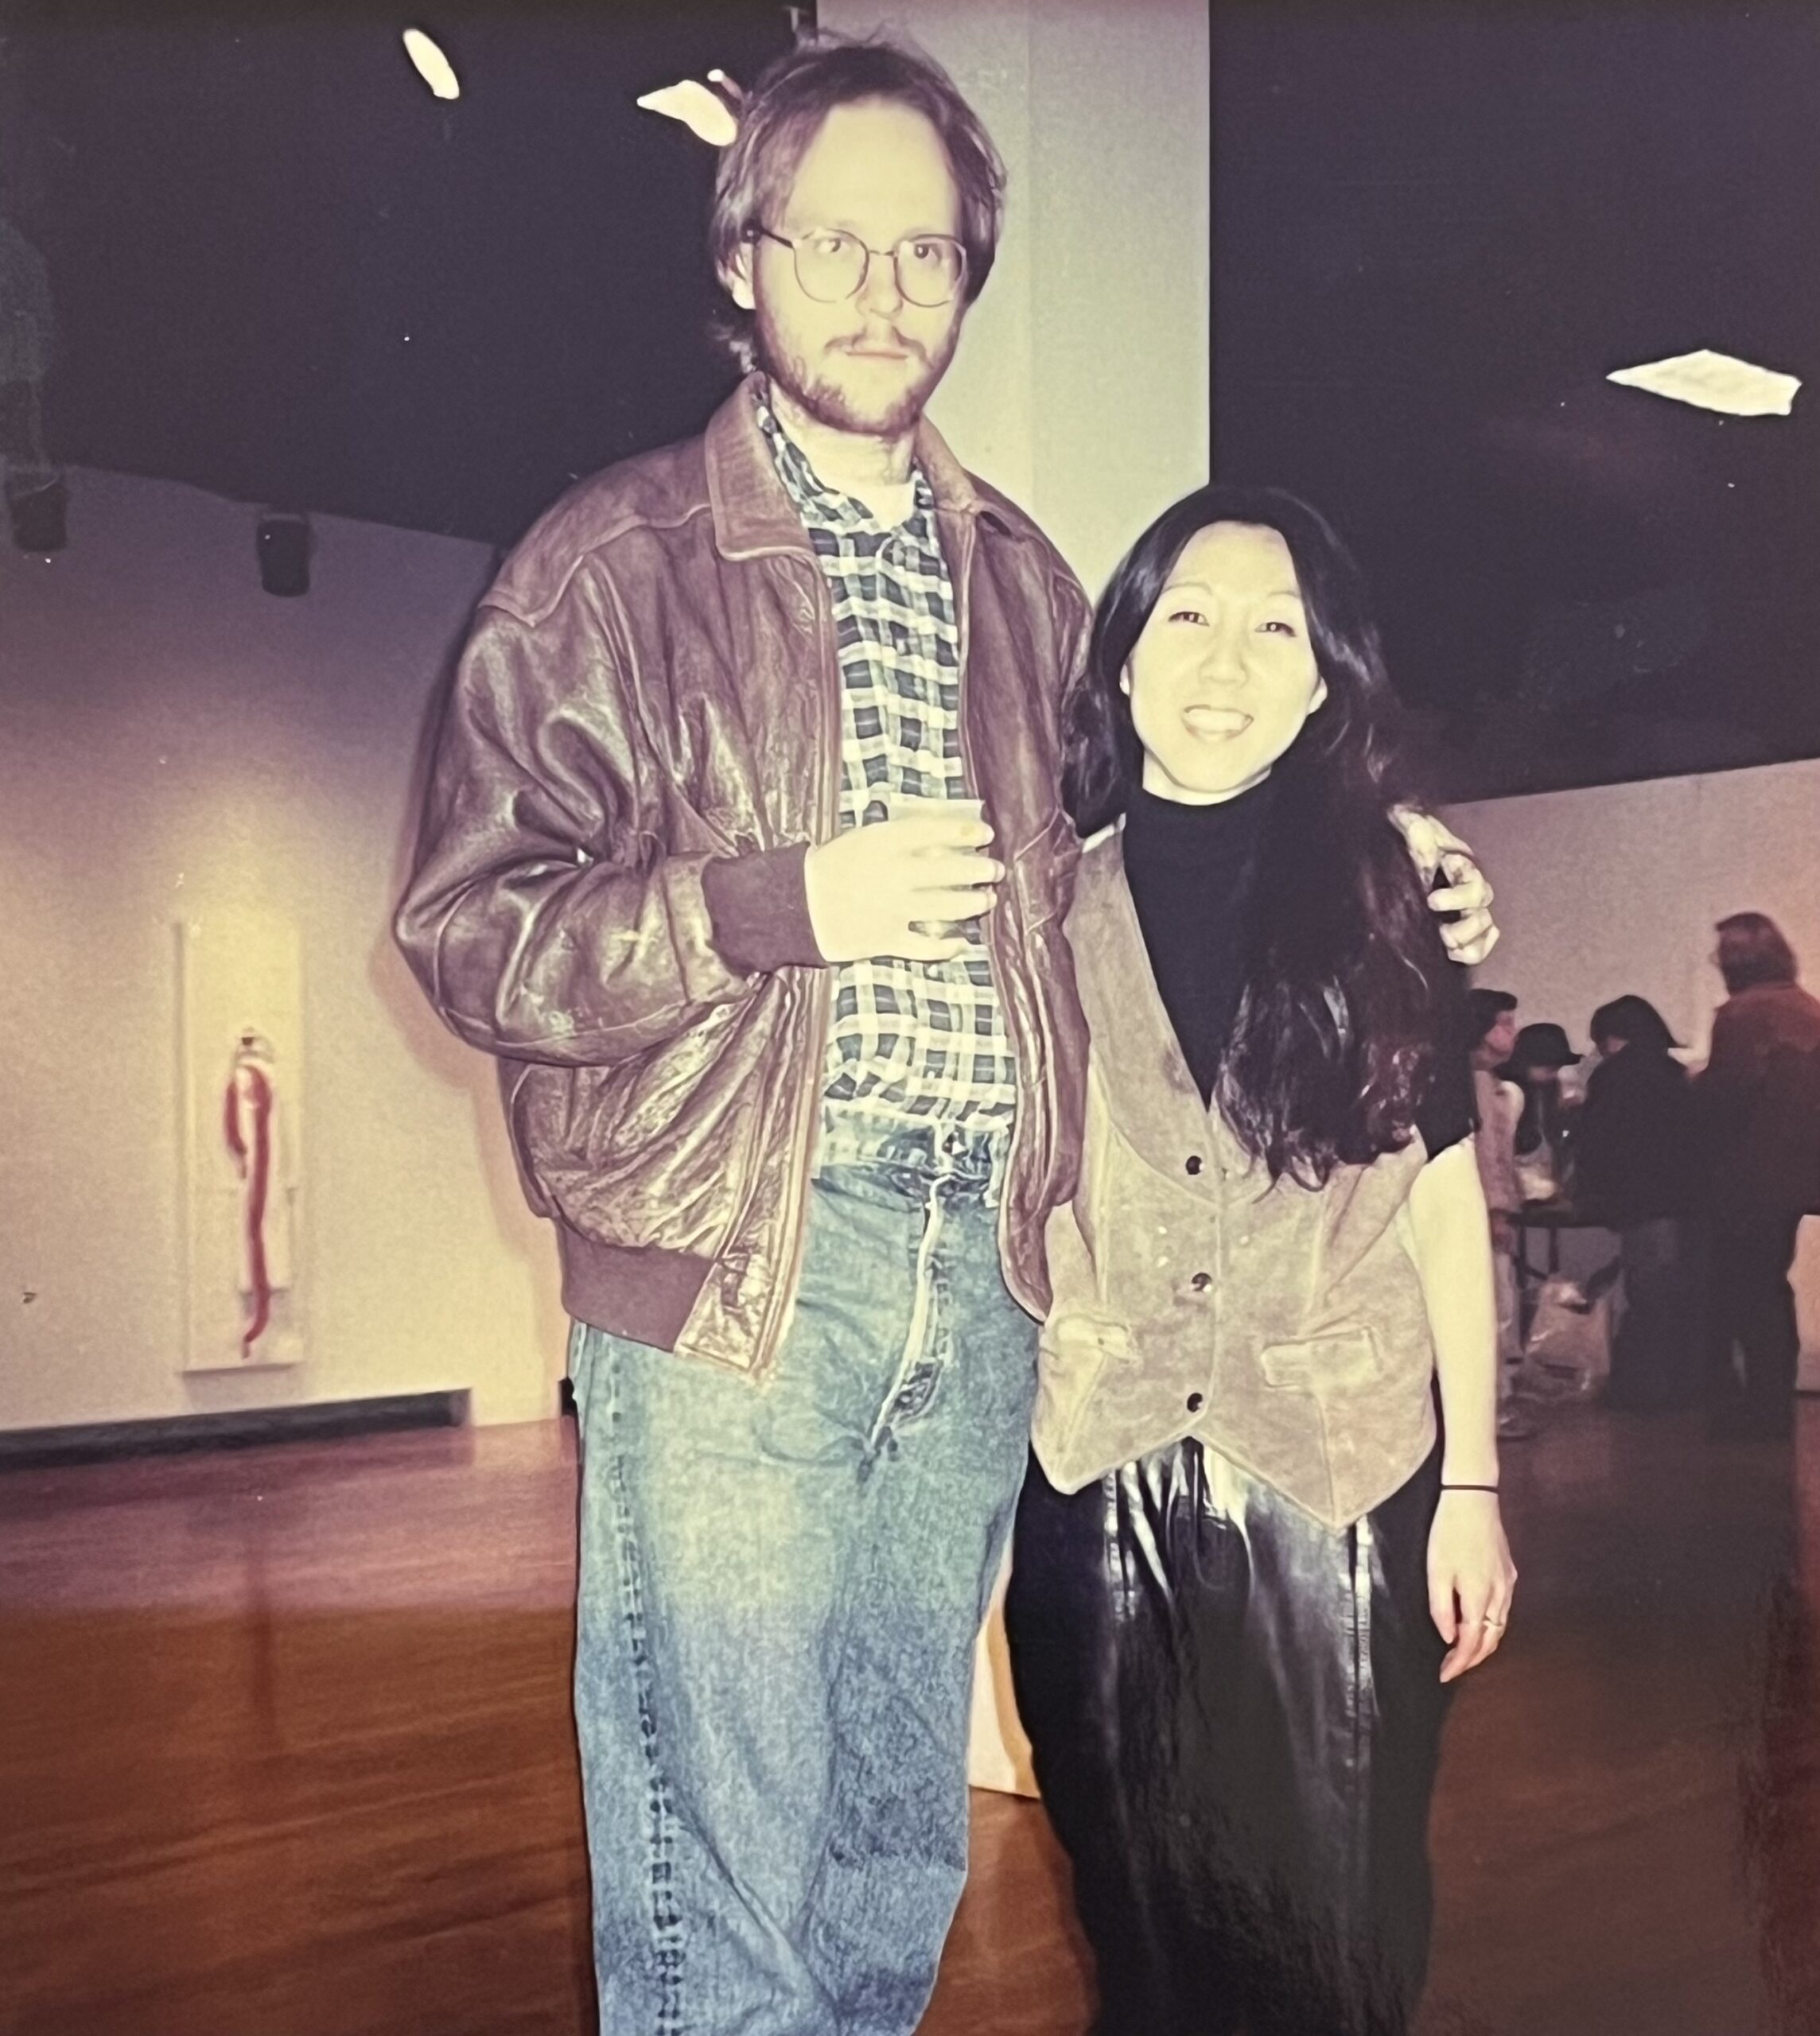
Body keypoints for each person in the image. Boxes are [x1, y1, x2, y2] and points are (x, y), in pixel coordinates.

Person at [395, 33, 1496, 2034]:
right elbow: (473, 929)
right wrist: (773, 904)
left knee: (897, 1828)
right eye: (831, 242)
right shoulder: (610, 568)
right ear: (741, 256)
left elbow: (1158, 832)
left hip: (989, 1271)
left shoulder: (1022, 584)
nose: (880, 291)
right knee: (719, 1840)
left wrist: (1384, 847)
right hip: (741, 1267)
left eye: (925, 252)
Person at [1004, 485, 1515, 2036]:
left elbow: (1441, 1201)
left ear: (1318, 685)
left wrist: (1476, 1483)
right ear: (1124, 657)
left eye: (1274, 628)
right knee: (1137, 1922)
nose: (1223, 660)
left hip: (1337, 1480)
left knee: (1332, 1937)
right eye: (1187, 615)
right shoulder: (1037, 906)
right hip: (1097, 1477)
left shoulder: (1387, 903)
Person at [1697, 912, 1820, 1440]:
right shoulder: (1806, 1008)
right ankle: (1774, 1400)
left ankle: (1758, 1405)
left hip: (1747, 1176)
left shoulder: (1743, 1014)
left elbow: (1727, 1094)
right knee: (1770, 1286)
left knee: (1745, 1292)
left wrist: (1694, 1086)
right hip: (1795, 1175)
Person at [1574, 994, 1703, 1411]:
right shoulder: (1676, 1074)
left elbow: (1597, 1144)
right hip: (1685, 1201)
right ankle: (1680, 1387)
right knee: (1673, 1297)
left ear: (1614, 1037)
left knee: (1648, 1297)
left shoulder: (1613, 1078)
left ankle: (1644, 1391)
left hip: (1642, 1202)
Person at [1468, 988, 1534, 1439]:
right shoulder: (1477, 1085)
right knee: (1493, 1308)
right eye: (1504, 1023)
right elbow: (1488, 1156)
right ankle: (1493, 1406)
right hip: (1481, 1215)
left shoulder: (1491, 1083)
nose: (1512, 1033)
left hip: (1484, 1211)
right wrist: (1497, 1210)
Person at [1503, 1020, 1581, 1205]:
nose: (1554, 1074)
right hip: (1517, 1182)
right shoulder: (1507, 1093)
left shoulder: (1550, 1091)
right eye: (1549, 1068)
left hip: (1544, 1183)